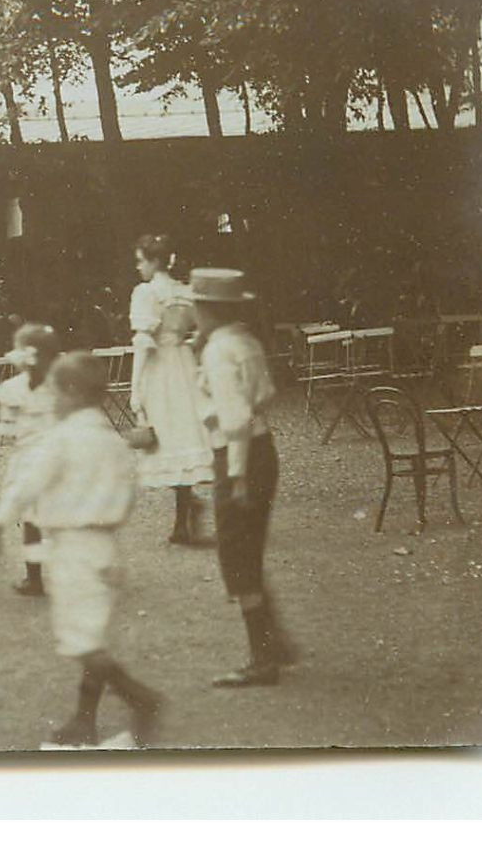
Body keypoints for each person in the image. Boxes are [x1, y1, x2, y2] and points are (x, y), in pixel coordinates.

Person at [0, 352, 163, 748]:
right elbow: (128, 493)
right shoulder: (114, 442)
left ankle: (142, 699)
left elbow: (29, 483)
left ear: (70, 392)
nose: (51, 401)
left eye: (54, 392)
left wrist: (0, 523)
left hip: (73, 547)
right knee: (92, 634)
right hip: (107, 546)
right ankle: (84, 718)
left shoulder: (63, 439)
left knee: (83, 640)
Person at [192, 268, 293, 689]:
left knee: (238, 557)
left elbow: (233, 420)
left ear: (208, 310)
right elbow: (265, 394)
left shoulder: (218, 350)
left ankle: (261, 659)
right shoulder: (246, 341)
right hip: (263, 448)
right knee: (248, 551)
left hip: (240, 455)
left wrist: (235, 477)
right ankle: (274, 645)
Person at [128, 234, 216, 545]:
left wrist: (135, 387)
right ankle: (184, 512)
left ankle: (184, 517)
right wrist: (186, 345)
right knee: (180, 436)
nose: (139, 267)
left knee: (166, 437)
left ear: (154, 261)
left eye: (141, 260)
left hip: (160, 370)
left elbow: (144, 342)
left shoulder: (146, 293)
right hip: (183, 365)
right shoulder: (184, 293)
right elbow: (203, 331)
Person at [0, 323, 62, 597]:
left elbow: (9, 431)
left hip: (30, 460)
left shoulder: (12, 389)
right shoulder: (61, 386)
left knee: (31, 519)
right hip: (59, 458)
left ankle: (35, 577)